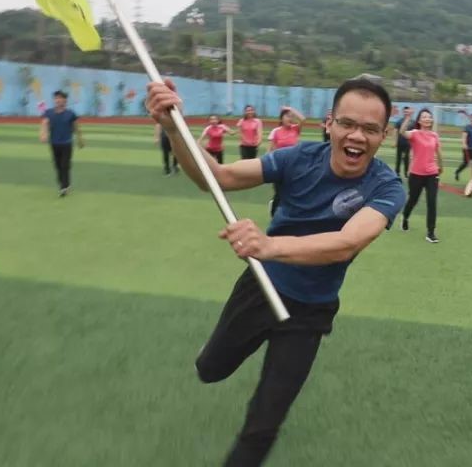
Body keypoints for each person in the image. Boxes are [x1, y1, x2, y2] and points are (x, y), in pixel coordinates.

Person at [145, 77, 405, 467]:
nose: (357, 136)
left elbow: (346, 242)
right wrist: (173, 128)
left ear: (384, 135)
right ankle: (212, 356)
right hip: (261, 287)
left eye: (370, 129)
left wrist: (269, 246)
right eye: (348, 124)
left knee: (264, 423)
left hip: (310, 312)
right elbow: (218, 177)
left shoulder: (387, 187)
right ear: (329, 123)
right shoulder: (297, 159)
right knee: (210, 369)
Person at [399, 108, 443, 243]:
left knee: (432, 202)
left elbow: (438, 152)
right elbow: (402, 132)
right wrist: (408, 118)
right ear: (419, 121)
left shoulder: (434, 136)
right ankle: (405, 217)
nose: (427, 119)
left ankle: (431, 232)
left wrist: (441, 166)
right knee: (413, 200)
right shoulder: (415, 133)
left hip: (432, 174)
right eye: (424, 117)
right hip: (416, 174)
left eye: (429, 116)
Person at [39, 90, 83, 197]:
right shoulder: (49, 113)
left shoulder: (70, 114)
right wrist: (43, 134)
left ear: (65, 100)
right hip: (54, 143)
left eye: (60, 98)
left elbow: (76, 127)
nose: (58, 100)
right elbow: (44, 123)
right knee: (57, 165)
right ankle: (64, 184)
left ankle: (64, 187)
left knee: (65, 165)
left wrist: (80, 139)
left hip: (66, 143)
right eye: (56, 98)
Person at [268, 107, 305, 216]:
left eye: (292, 116)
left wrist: (290, 109)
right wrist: (269, 165)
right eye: (287, 116)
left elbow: (303, 119)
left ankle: (289, 214)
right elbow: (271, 150)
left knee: (292, 191)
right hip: (279, 167)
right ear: (281, 118)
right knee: (279, 192)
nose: (290, 118)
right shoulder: (276, 131)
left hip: (294, 166)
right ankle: (274, 213)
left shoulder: (295, 129)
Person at [454, 113, 472, 183]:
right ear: (470, 119)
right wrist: (464, 144)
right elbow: (464, 137)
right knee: (465, 164)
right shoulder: (467, 127)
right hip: (468, 149)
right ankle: (457, 172)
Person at [393, 105, 412, 178]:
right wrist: (395, 141)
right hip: (400, 142)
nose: (406, 113)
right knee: (398, 158)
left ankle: (406, 173)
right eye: (405, 112)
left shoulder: (412, 122)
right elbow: (395, 131)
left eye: (407, 111)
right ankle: (397, 172)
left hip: (409, 143)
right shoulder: (399, 121)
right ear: (403, 112)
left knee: (407, 158)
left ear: (409, 112)